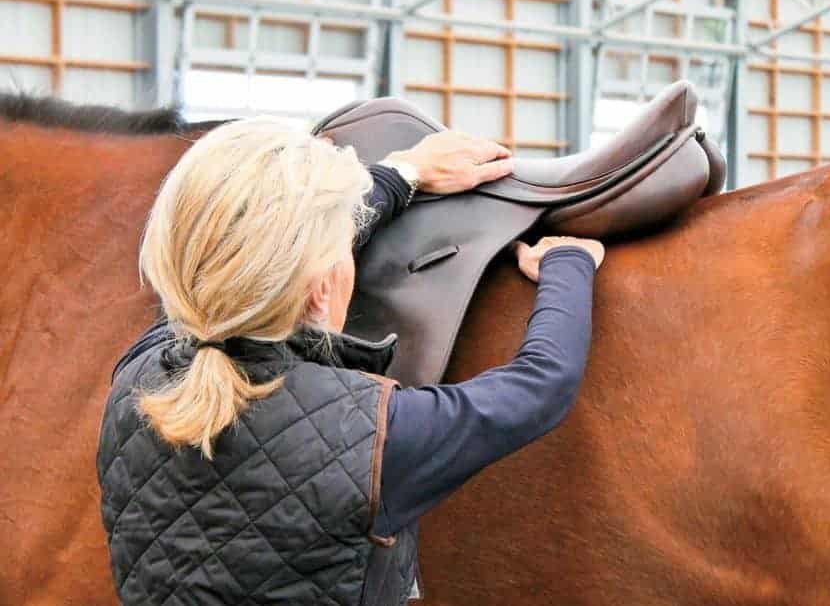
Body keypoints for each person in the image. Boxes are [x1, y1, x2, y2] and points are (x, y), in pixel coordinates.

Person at [96, 118, 604, 605]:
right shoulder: (377, 437)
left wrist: (403, 173)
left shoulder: (134, 380)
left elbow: (231, 274)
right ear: (320, 289)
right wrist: (568, 264)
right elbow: (541, 385)